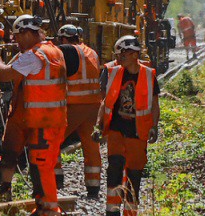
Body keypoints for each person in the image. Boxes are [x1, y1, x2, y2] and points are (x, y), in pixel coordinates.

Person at [0, 14, 67, 215]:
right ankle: (43, 207)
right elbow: (5, 73)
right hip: (51, 120)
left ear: (28, 33)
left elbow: (4, 73)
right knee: (41, 165)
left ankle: (49, 210)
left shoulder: (34, 55)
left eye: (17, 36)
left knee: (41, 167)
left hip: (42, 122)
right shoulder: (52, 51)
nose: (15, 41)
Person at [93, 36, 160, 216]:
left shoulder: (148, 75)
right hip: (116, 130)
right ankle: (112, 211)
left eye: (122, 54)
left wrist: (154, 126)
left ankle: (130, 213)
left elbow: (154, 104)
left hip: (137, 133)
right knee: (114, 168)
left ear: (133, 54)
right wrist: (98, 126)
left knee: (134, 175)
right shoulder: (113, 72)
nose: (119, 58)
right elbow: (106, 102)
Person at [53, 24, 104, 198]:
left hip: (74, 105)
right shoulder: (92, 52)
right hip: (93, 106)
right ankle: (93, 188)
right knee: (91, 147)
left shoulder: (67, 51)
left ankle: (56, 180)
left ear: (64, 39)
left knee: (53, 140)